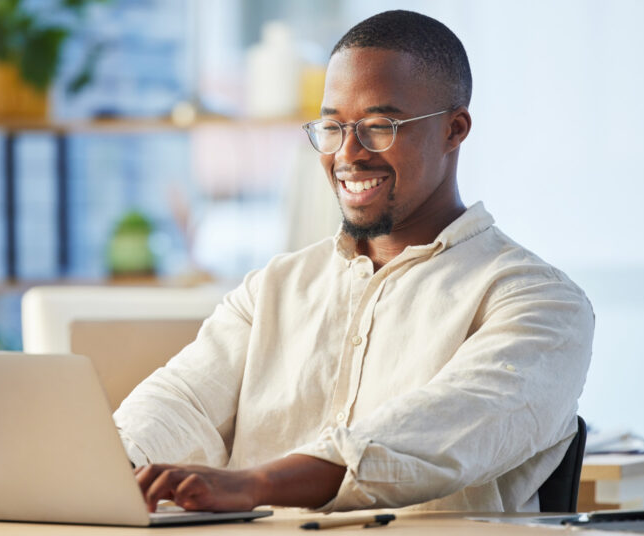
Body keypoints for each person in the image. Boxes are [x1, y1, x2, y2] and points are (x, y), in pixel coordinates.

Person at [113, 9, 594, 513]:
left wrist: (253, 485)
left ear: (455, 129)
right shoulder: (274, 287)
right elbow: (181, 402)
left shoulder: (541, 303)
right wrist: (113, 465)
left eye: (379, 126)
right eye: (332, 126)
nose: (348, 154)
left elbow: (439, 431)